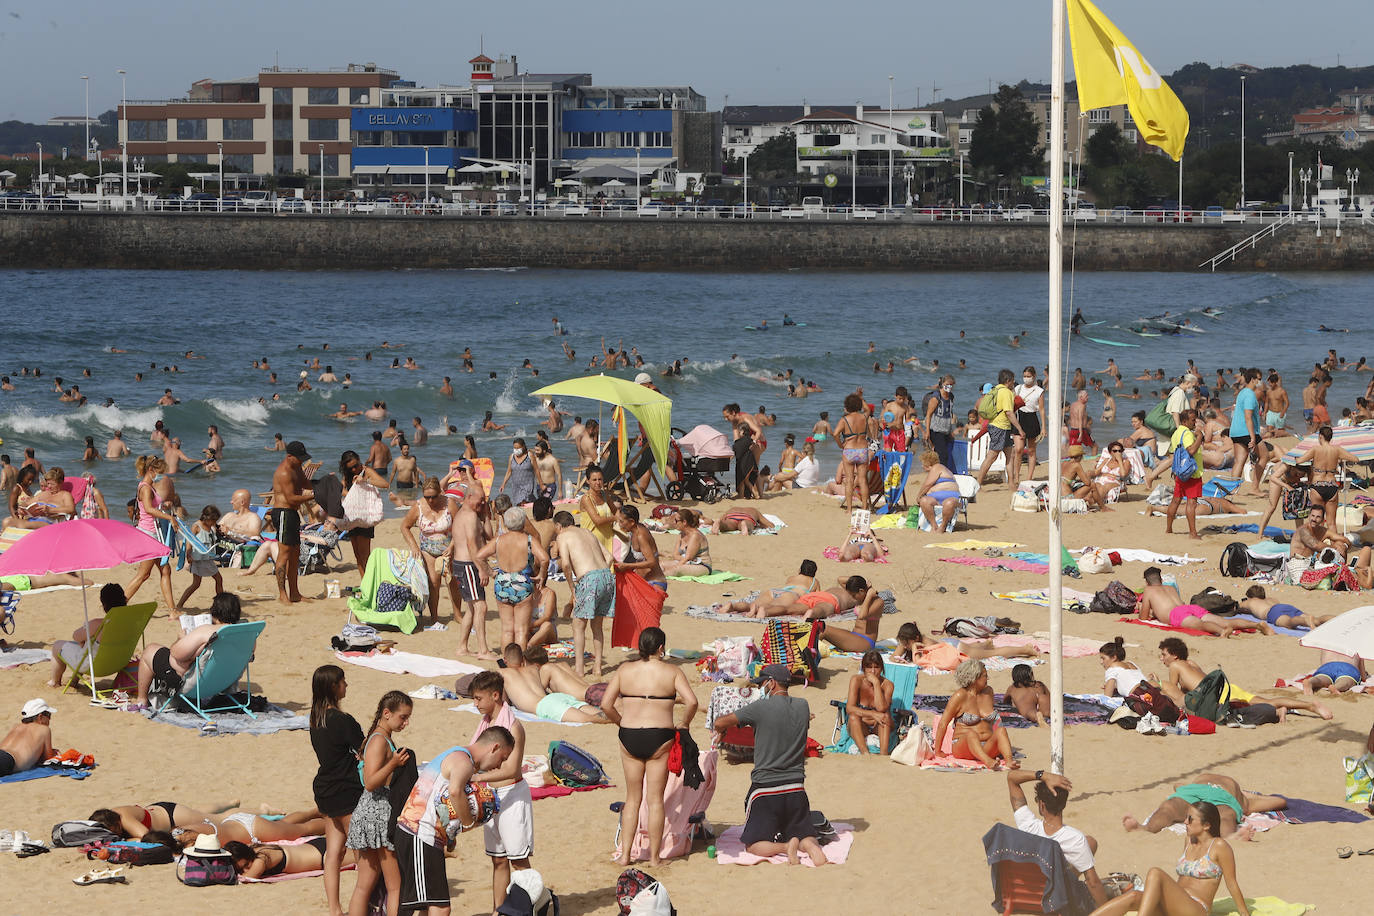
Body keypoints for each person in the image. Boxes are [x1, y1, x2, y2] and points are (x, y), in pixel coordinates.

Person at [712, 664, 828, 866]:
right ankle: (812, 848)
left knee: (753, 844)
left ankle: (785, 848)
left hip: (765, 790)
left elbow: (720, 722)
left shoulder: (760, 708)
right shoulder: (803, 706)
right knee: (804, 833)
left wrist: (723, 730)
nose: (761, 689)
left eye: (763, 684)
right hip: (796, 788)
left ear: (771, 683)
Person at [601, 627, 698, 866]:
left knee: (632, 799)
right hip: (660, 736)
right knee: (655, 800)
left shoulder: (625, 670)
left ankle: (625, 855)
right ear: (661, 647)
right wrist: (684, 722)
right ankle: (654, 858)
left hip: (629, 735)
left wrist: (619, 722)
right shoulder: (672, 671)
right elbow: (692, 701)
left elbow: (606, 704)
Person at [394, 728, 515, 916]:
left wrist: (450, 835)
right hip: (420, 833)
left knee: (424, 905)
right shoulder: (463, 761)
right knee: (439, 907)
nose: (499, 765)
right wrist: (467, 823)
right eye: (502, 758)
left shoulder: (456, 754)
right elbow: (455, 791)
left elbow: (442, 803)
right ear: (495, 747)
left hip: (418, 833)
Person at [1102, 801, 1252, 916]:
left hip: (1196, 909)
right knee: (1133, 896)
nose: (1185, 822)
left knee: (1156, 873)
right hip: (1174, 905)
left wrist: (1244, 913)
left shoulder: (1219, 846)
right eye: (1186, 817)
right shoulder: (1188, 841)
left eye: (1190, 819)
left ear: (1206, 825)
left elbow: (1231, 883)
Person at [467, 671, 534, 914]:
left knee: (519, 860)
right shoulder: (485, 723)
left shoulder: (514, 727)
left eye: (478, 699)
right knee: (497, 859)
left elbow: (512, 769)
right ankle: (498, 910)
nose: (475, 704)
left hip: (512, 796)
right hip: (490, 797)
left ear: (495, 695)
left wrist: (477, 777)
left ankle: (528, 907)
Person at [347, 690, 413, 916]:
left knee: (365, 883)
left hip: (368, 812)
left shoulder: (376, 737)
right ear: (387, 713)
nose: (405, 723)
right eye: (402, 717)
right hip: (378, 814)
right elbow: (370, 782)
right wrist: (393, 763)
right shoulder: (378, 740)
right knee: (395, 886)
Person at [1007, 770, 1108, 907]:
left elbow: (1012, 778)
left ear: (1041, 805)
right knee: (1087, 844)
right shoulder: (1074, 838)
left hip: (1029, 893)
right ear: (1064, 805)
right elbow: (1093, 883)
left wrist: (1043, 775)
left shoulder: (1027, 826)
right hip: (1057, 898)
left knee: (1090, 842)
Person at [310, 664, 364, 916]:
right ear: (333, 686)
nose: (346, 685)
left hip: (325, 789)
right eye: (343, 682)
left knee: (333, 853)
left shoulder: (315, 718)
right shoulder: (343, 720)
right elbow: (364, 749)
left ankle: (334, 909)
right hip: (346, 790)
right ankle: (361, 905)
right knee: (363, 854)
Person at [132, 592, 243, 709]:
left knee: (150, 650)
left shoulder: (206, 631)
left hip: (196, 685)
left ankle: (141, 700)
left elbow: (176, 653)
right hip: (224, 682)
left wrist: (181, 639)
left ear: (215, 612)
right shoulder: (244, 632)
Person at [553, 510, 615, 677]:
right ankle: (597, 667)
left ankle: (579, 669)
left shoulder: (563, 536)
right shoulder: (587, 531)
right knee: (597, 626)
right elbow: (609, 557)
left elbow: (565, 564)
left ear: (559, 526)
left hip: (589, 578)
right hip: (606, 576)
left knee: (578, 625)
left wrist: (572, 587)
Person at [477, 507, 549, 649]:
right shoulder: (529, 540)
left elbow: (479, 556)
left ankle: (507, 661)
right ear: (523, 523)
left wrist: (491, 573)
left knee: (507, 629)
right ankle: (519, 662)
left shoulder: (498, 540)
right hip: (522, 582)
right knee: (521, 629)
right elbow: (545, 559)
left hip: (502, 582)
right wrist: (541, 575)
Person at [933, 658, 1018, 769]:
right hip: (963, 747)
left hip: (986, 746)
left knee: (1001, 729)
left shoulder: (988, 692)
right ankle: (987, 761)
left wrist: (1001, 743)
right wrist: (938, 751)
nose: (988, 678)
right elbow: (943, 723)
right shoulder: (960, 696)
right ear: (974, 678)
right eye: (985, 676)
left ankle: (1009, 761)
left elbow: (996, 722)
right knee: (971, 734)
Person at [498, 644, 607, 723]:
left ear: (505, 660)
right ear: (522, 659)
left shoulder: (502, 673)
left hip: (545, 706)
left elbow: (504, 702)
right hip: (557, 698)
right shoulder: (532, 669)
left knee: (588, 719)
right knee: (602, 714)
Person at [47, 583, 128, 687]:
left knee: (57, 646)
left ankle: (54, 682)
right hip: (118, 663)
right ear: (124, 600)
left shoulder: (98, 624)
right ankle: (74, 680)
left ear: (104, 605)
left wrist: (86, 630)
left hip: (94, 667)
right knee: (88, 646)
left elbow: (75, 636)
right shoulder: (130, 622)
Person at [449, 481, 494, 660]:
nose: (482, 503)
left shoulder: (471, 514)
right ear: (469, 497)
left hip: (464, 565)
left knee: (471, 608)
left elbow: (489, 537)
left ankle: (462, 647)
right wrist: (482, 569)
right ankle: (483, 650)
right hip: (468, 565)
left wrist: (485, 514)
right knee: (480, 606)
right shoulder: (468, 517)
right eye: (480, 500)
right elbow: (472, 545)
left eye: (484, 501)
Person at [400, 478, 452, 626]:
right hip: (428, 549)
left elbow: (460, 524)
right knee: (434, 583)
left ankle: (458, 614)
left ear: (440, 492)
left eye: (434, 496)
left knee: (453, 582)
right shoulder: (418, 506)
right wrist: (414, 546)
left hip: (448, 548)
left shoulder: (450, 503)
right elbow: (404, 526)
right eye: (427, 497)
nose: (430, 500)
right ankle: (434, 617)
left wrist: (454, 546)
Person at [1136, 566, 1243, 638]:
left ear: (1146, 582)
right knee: (1225, 622)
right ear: (1161, 579)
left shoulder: (1148, 590)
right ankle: (1256, 624)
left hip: (1177, 614)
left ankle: (1221, 631)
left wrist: (1141, 608)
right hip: (1189, 607)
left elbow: (1143, 617)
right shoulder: (1170, 588)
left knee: (1200, 625)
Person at [270, 441, 315, 605]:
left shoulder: (297, 467)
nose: (301, 461)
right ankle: (283, 594)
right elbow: (291, 498)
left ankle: (295, 593)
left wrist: (320, 486)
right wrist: (312, 496)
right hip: (282, 512)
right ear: (289, 456)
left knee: (295, 553)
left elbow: (305, 484)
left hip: (293, 513)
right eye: (299, 458)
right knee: (285, 553)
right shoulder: (284, 472)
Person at [228, 839, 358, 880]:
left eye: (246, 865)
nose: (245, 870)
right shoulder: (254, 849)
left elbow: (249, 878)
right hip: (314, 846)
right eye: (241, 869)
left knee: (369, 857)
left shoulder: (261, 859)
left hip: (322, 856)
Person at [1163, 409, 1205, 539]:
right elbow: (1191, 450)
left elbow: (1172, 452)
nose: (1195, 422)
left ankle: (1169, 529)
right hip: (1191, 472)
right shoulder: (1187, 433)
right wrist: (1200, 437)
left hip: (1180, 471)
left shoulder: (1176, 433)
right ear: (1185, 421)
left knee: (1175, 500)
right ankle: (1193, 533)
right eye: (1193, 420)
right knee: (1191, 503)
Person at [844, 650, 894, 754]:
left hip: (878, 726)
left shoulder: (887, 685)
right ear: (863, 669)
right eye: (869, 667)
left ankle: (883, 754)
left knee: (885, 716)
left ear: (881, 668)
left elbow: (881, 708)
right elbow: (849, 708)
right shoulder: (856, 680)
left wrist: (876, 683)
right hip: (861, 725)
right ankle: (865, 754)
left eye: (876, 667)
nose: (873, 671)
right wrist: (873, 713)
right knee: (853, 717)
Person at [175, 505, 224, 609]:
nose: (214, 522)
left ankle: (220, 604)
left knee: (216, 579)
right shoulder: (197, 526)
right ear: (207, 518)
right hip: (199, 560)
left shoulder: (211, 527)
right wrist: (188, 555)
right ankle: (180, 604)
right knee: (197, 583)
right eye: (213, 520)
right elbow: (189, 540)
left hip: (208, 559)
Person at [614, 505, 667, 592]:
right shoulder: (635, 530)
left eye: (621, 522)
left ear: (631, 522)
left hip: (654, 583)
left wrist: (627, 566)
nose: (619, 525)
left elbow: (651, 562)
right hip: (642, 581)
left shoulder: (641, 536)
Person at [834, 392, 872, 512]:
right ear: (858, 405)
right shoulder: (864, 417)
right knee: (862, 479)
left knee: (849, 480)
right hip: (862, 450)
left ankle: (849, 509)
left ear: (847, 406)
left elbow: (835, 434)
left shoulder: (844, 419)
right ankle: (865, 507)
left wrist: (840, 444)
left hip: (849, 450)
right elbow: (867, 409)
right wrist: (861, 397)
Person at [0, 698, 57, 777]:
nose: (50, 719)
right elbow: (48, 757)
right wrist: (54, 751)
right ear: (40, 717)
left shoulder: (16, 727)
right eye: (48, 715)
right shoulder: (44, 729)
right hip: (7, 761)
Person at [1238, 585, 1332, 631]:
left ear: (1250, 596)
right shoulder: (1271, 599)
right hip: (1285, 607)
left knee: (1288, 623)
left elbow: (1236, 607)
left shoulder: (1250, 601)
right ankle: (1335, 619)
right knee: (1317, 620)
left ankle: (1304, 620)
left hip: (1272, 612)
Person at [1230, 368, 1263, 496]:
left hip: (1235, 431)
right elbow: (1248, 417)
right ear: (1253, 379)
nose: (1260, 382)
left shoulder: (1242, 392)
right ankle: (1254, 487)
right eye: (1259, 379)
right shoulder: (1249, 394)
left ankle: (1232, 489)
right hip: (1246, 431)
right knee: (1264, 456)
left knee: (1240, 460)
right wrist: (1253, 437)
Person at [915, 449, 963, 530]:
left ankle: (943, 526)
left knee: (949, 503)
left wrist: (918, 496)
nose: (922, 466)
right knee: (924, 501)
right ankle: (934, 525)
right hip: (936, 500)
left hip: (951, 498)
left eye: (923, 464)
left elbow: (927, 484)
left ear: (927, 463)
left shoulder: (937, 467)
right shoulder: (938, 470)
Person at [578, 466, 619, 555]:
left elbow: (616, 511)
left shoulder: (605, 495)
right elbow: (597, 521)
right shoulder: (586, 499)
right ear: (588, 481)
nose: (598, 483)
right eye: (594, 480)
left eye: (600, 479)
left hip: (608, 537)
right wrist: (615, 518)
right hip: (592, 540)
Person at [1014, 367, 1044, 481]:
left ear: (1034, 376)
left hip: (1032, 419)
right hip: (1019, 418)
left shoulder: (1039, 391)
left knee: (1031, 450)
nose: (1026, 378)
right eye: (1025, 376)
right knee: (1018, 449)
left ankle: (1029, 477)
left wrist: (1044, 428)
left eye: (1028, 376)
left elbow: (1041, 409)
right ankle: (1016, 476)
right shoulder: (1018, 388)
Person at [662, 508, 711, 577]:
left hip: (702, 565)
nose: (674, 522)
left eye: (676, 520)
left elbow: (688, 557)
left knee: (676, 569)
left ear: (684, 522)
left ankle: (655, 578)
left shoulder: (695, 535)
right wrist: (681, 560)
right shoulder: (681, 534)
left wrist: (676, 565)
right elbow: (675, 555)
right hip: (689, 562)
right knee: (661, 565)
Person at [1303, 650, 1367, 695]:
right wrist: (1364, 675)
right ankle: (1337, 687)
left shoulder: (1327, 641)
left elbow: (1322, 662)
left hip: (1327, 666)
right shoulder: (1356, 643)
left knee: (1321, 678)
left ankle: (1311, 681)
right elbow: (1363, 675)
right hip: (1347, 667)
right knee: (1346, 681)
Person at [498, 438, 538, 506]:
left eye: (518, 448)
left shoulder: (530, 455)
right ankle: (534, 504)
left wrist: (540, 483)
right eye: (515, 448)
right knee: (520, 503)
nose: (516, 450)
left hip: (527, 485)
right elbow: (509, 472)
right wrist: (503, 484)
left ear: (523, 446)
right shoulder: (511, 456)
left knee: (523, 501)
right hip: (516, 486)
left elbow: (536, 470)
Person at [389, 442, 424, 507]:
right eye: (404, 449)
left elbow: (415, 472)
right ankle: (402, 514)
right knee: (401, 502)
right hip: (400, 484)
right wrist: (389, 484)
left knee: (410, 502)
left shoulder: (412, 460)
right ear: (401, 450)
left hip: (410, 484)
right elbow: (393, 473)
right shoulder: (397, 460)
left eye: (407, 449)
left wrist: (416, 484)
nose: (406, 450)